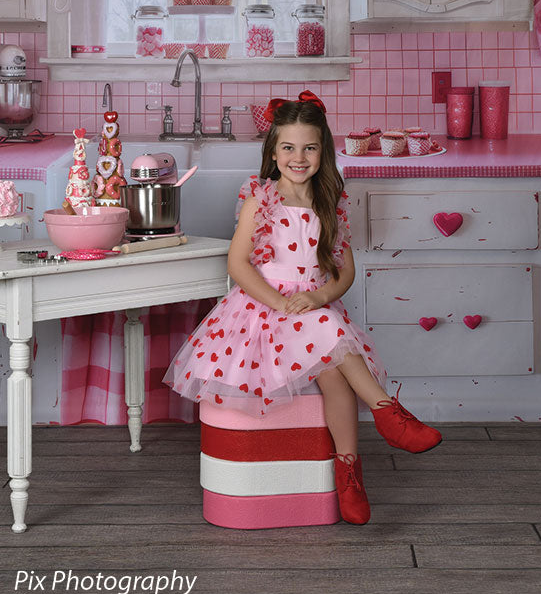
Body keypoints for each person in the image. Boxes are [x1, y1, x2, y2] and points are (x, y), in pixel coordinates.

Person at [163, 90, 442, 524]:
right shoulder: (261, 199)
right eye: (288, 148)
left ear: (322, 151)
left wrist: (318, 297)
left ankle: (348, 474)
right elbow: (237, 264)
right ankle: (389, 415)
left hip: (311, 308)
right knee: (331, 337)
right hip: (263, 311)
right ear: (273, 154)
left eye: (309, 147)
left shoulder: (331, 202)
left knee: (335, 372)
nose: (299, 157)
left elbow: (345, 272)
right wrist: (279, 303)